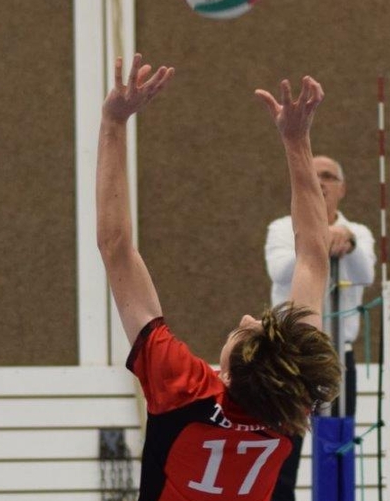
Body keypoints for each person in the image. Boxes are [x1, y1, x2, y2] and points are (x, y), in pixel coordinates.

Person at [96, 52, 342, 501]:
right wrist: (297, 141)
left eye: (243, 332)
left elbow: (116, 247)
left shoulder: (184, 389)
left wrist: (113, 122)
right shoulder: (289, 400)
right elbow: (313, 256)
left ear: (225, 377)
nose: (247, 317)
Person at [264, 155, 376, 501]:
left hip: (337, 359)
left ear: (342, 188)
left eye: (328, 176)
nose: (321, 182)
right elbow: (280, 271)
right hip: (289, 359)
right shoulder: (282, 228)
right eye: (313, 175)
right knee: (283, 451)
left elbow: (366, 275)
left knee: (336, 448)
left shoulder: (358, 232)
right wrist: (318, 239)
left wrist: (348, 242)